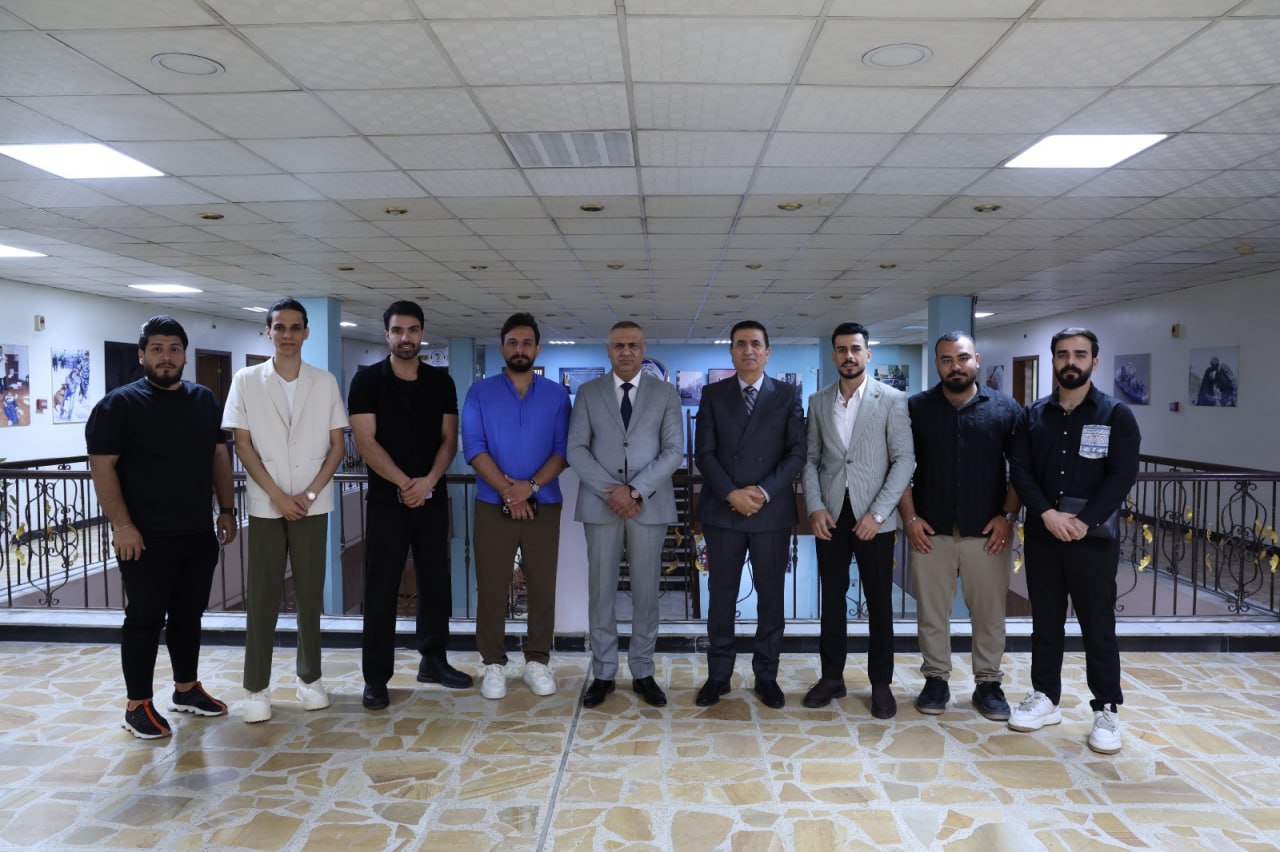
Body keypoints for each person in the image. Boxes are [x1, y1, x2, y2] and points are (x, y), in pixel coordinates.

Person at [86, 316, 237, 739]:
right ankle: (137, 706)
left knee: (189, 615)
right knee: (145, 619)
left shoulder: (204, 399)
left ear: (185, 355)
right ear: (142, 355)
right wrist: (122, 525)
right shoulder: (118, 405)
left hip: (196, 532)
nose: (166, 357)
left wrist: (226, 509)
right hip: (144, 537)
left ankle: (186, 688)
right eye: (157, 349)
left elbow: (218, 456)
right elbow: (102, 468)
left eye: (174, 349)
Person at [1008, 327, 1140, 754]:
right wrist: (1047, 514)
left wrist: (1084, 521)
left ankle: (1106, 708)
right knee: (1045, 620)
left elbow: (1121, 475)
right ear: (1053, 360)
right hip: (1044, 535)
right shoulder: (1033, 415)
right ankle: (1045, 697)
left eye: (1080, 354)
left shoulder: (1116, 415)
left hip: (1092, 539)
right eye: (1063, 354)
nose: (1071, 361)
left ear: (1094, 361)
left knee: (1097, 625)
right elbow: (1020, 470)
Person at [222, 298, 348, 723]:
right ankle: (256, 687)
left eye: (295, 327)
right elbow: (243, 445)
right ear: (268, 331)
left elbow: (338, 446)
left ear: (306, 332)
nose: (288, 335)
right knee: (262, 597)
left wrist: (309, 494)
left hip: (313, 503)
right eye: (280, 327)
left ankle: (309, 679)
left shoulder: (324, 382)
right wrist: (277, 495)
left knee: (310, 594)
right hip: (266, 502)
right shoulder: (246, 380)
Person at [348, 300, 473, 712]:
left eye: (413, 330)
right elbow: (365, 441)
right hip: (388, 500)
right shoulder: (367, 381)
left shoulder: (441, 382)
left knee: (436, 581)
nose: (406, 337)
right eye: (398, 330)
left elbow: (449, 439)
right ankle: (376, 678)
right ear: (386, 334)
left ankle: (433, 660)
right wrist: (405, 483)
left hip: (432, 497)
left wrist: (429, 482)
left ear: (422, 334)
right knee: (381, 586)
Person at [898, 331, 1021, 721]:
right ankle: (936, 679)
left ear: (976, 360)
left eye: (963, 358)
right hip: (929, 532)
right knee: (931, 614)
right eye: (947, 359)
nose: (956, 366)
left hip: (987, 533)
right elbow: (899, 466)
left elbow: (1021, 470)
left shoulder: (1005, 409)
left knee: (989, 614)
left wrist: (1007, 517)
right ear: (937, 364)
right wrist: (909, 519)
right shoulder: (916, 408)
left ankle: (988, 683)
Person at [567, 321, 683, 709]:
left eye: (633, 345)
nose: (626, 351)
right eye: (619, 345)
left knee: (647, 593)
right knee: (601, 591)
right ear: (608, 350)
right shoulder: (588, 392)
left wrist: (634, 491)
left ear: (643, 348)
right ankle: (603, 672)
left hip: (649, 505)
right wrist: (613, 491)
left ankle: (643, 670)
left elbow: (673, 451)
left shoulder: (666, 394)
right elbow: (576, 449)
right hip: (601, 505)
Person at [800, 323, 914, 718]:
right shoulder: (818, 401)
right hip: (830, 517)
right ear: (834, 355)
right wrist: (815, 507)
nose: (849, 356)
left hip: (874, 519)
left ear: (868, 354)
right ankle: (832, 677)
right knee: (831, 601)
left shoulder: (893, 400)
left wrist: (879, 513)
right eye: (842, 349)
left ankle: (881, 684)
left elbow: (904, 460)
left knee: (880, 603)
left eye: (855, 349)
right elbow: (811, 460)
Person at [694, 320, 805, 709]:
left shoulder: (788, 394)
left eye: (756, 344)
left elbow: (796, 453)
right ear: (731, 352)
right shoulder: (713, 394)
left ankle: (767, 676)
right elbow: (704, 453)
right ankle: (718, 676)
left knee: (771, 598)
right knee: (721, 597)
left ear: (768, 352)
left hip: (769, 511)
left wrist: (761, 492)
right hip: (723, 510)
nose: (748, 350)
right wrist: (731, 493)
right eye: (740, 344)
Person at [461, 313, 571, 700]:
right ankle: (494, 663)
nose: (519, 349)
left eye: (526, 343)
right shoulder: (479, 393)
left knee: (542, 585)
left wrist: (531, 487)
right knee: (492, 586)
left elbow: (563, 451)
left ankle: (537, 661)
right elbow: (474, 448)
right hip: (493, 505)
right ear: (502, 347)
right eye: (513, 342)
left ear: (537, 348)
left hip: (545, 504)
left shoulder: (557, 395)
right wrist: (511, 491)